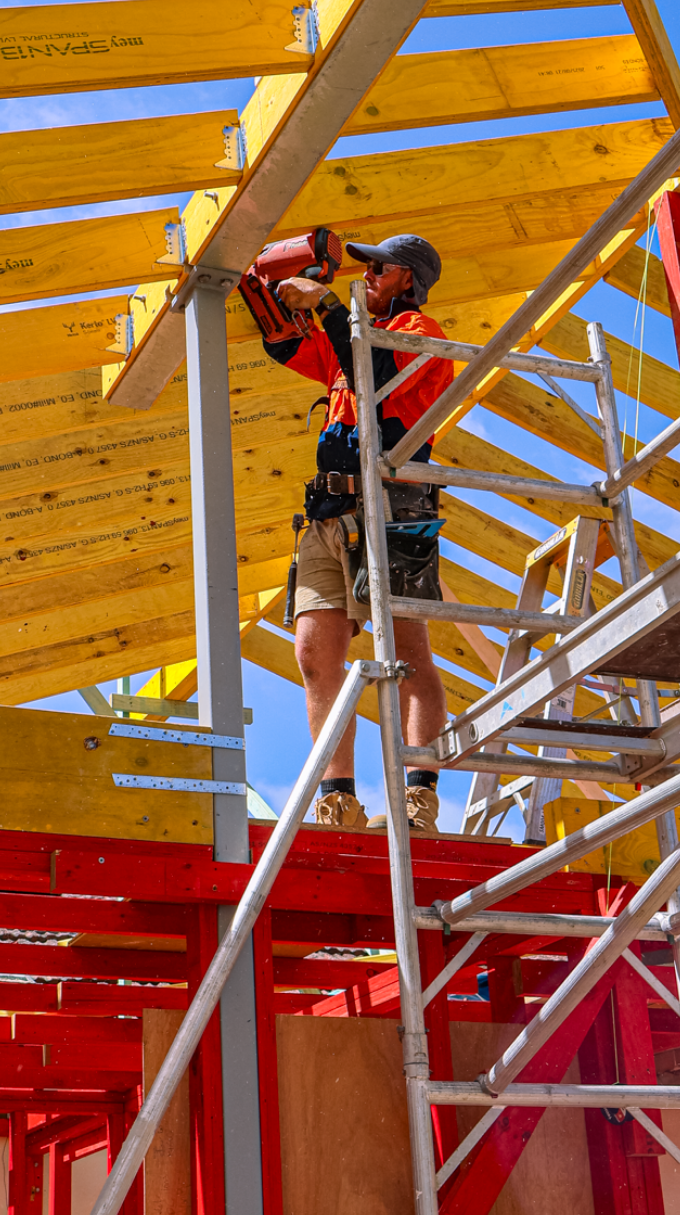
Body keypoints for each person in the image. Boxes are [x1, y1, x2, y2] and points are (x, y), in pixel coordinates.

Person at [263, 234, 452, 832]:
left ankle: (418, 800)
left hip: (392, 509)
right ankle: (339, 801)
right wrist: (274, 277)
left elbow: (377, 370)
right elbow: (282, 340)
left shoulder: (425, 332)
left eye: (378, 267)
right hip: (327, 512)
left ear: (408, 278)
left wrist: (324, 301)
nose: (366, 274)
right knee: (315, 656)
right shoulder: (343, 342)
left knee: (406, 652)